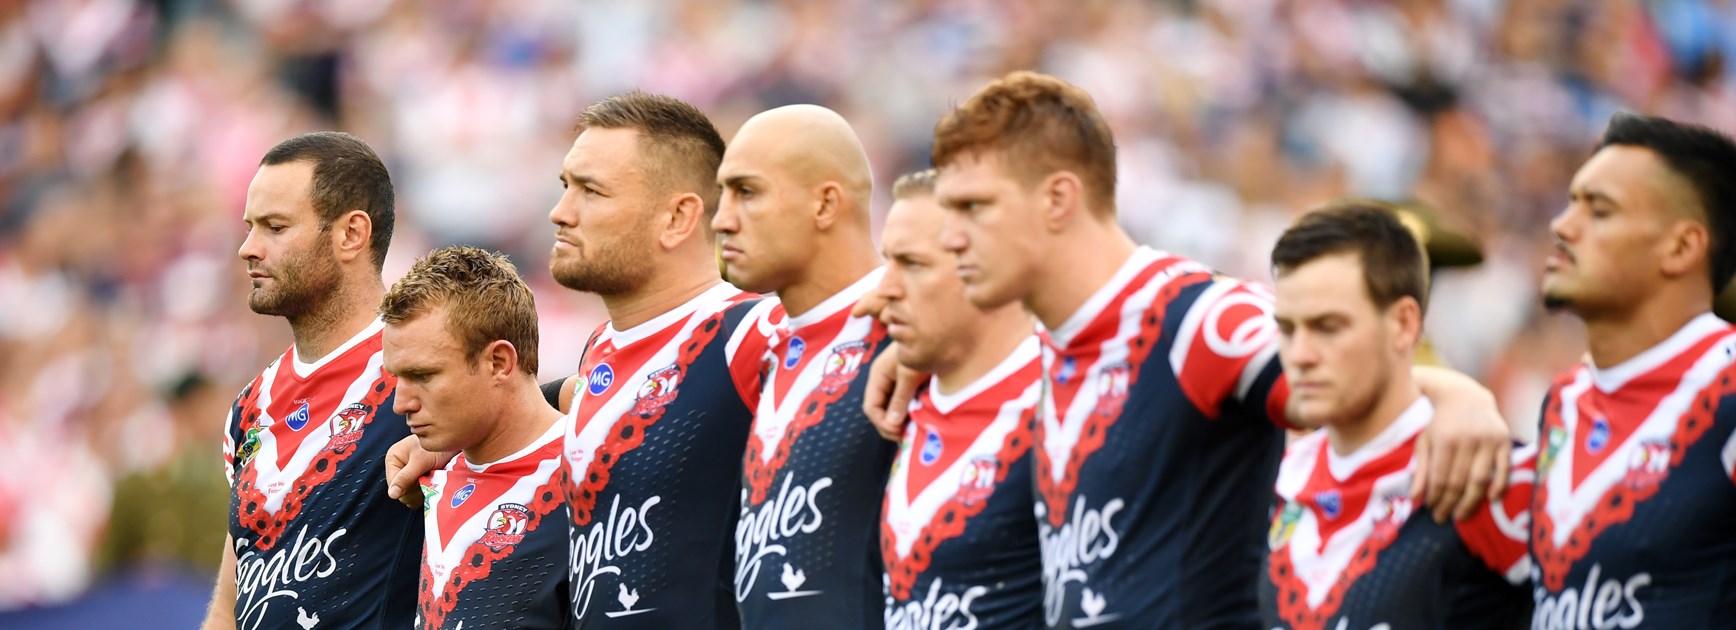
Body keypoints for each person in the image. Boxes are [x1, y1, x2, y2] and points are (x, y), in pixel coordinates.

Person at [861, 71, 1514, 628]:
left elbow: (1342, 378)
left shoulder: (1195, 317)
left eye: (975, 208)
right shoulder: (1060, 348)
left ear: (1059, 198)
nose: (955, 238)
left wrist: (1457, 394)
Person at [387, 91, 775, 629]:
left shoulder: (750, 331)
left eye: (591, 191)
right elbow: (587, 395)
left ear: (679, 217)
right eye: (565, 186)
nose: (560, 212)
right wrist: (465, 433)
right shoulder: (602, 351)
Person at [1261, 201, 1533, 629]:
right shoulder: (1273, 484)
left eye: (1329, 327)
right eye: (1288, 329)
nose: (1300, 355)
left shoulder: (1482, 474)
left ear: (1405, 324)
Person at [206, 131, 420, 629]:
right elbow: (229, 603)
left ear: (351, 234)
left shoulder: (420, 369)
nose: (247, 248)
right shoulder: (249, 407)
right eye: (250, 227)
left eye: (275, 227)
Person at [1530, 112, 1736, 629]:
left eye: (1599, 211)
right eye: (1571, 202)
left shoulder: (1729, 387)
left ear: (1682, 247)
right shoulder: (1564, 400)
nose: (1562, 225)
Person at [712, 104, 894, 629]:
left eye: (747, 192)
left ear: (825, 203)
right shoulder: (764, 342)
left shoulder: (913, 326)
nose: (722, 218)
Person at [873, 170, 1044, 628]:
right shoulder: (907, 395)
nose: (884, 287)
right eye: (887, 261)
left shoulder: (1062, 404)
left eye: (913, 264)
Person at [377, 246, 567, 630]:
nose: (401, 404)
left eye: (424, 375)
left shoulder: (587, 476)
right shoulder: (431, 479)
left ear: (499, 362)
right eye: (398, 377)